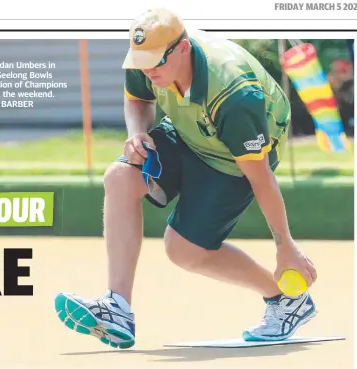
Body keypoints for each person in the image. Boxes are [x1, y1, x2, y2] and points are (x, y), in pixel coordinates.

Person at [54, 8, 318, 349]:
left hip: (233, 157)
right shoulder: (149, 57)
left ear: (183, 48)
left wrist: (286, 247)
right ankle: (117, 308)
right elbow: (137, 99)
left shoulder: (236, 94)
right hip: (188, 131)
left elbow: (260, 175)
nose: (148, 69)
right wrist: (137, 134)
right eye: (142, 61)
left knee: (183, 251)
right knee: (120, 176)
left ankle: (286, 300)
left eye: (155, 62)